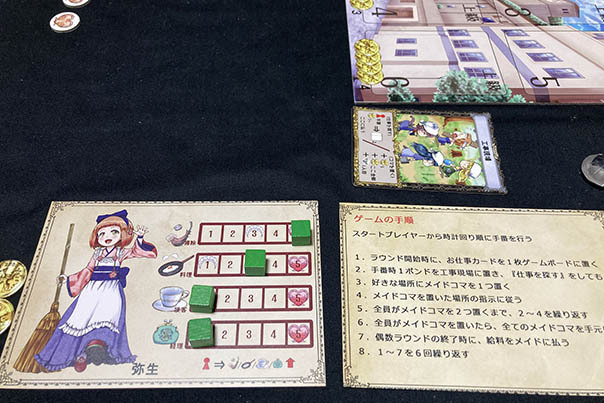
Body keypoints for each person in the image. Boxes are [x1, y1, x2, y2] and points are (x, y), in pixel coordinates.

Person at [35, 210, 157, 372]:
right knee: (81, 317)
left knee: (108, 317)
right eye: (102, 234)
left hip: (111, 289)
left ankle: (101, 350)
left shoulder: (120, 252)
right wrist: (68, 278)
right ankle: (78, 353)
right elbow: (88, 270)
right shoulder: (98, 253)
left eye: (114, 232)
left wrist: (139, 238)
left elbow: (138, 252)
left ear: (123, 234)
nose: (108, 236)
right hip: (92, 289)